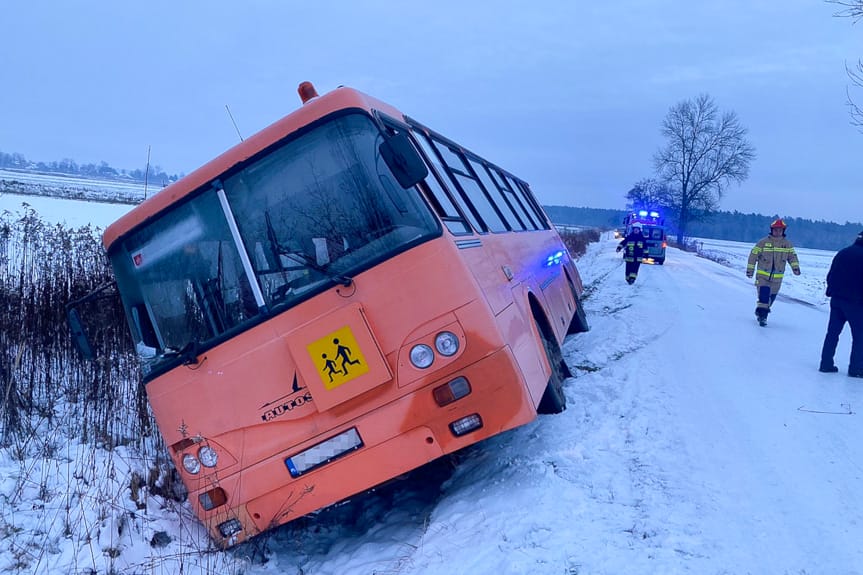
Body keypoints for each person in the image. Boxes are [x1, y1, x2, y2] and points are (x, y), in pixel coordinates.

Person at [819, 230, 863, 377]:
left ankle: (826, 364)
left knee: (832, 333)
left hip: (837, 300)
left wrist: (831, 291)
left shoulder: (842, 253)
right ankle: (856, 369)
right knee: (859, 337)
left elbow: (831, 275)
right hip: (856, 303)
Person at [745, 218, 800, 326]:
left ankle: (760, 312)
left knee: (770, 299)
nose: (777, 232)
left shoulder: (787, 245)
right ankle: (763, 317)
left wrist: (796, 268)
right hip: (763, 277)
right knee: (763, 297)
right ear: (772, 230)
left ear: (783, 231)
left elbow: (792, 257)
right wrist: (750, 270)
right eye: (775, 230)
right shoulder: (763, 243)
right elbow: (753, 256)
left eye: (780, 230)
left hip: (777, 279)